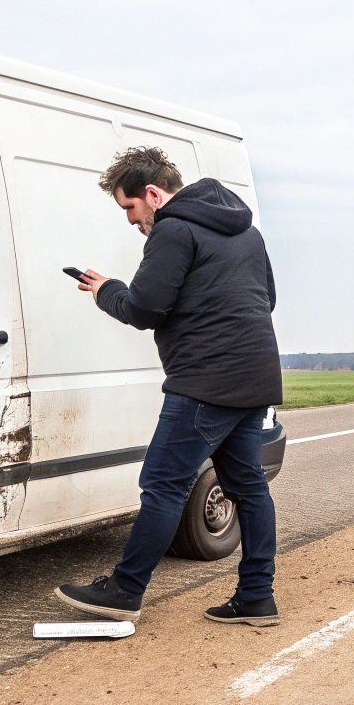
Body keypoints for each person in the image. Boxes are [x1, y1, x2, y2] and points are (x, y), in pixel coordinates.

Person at [55, 146, 284, 627]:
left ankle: (124, 590)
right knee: (248, 486)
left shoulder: (173, 230)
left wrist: (106, 291)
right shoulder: (247, 232)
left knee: (162, 487)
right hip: (255, 375)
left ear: (154, 194)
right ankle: (257, 596)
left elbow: (144, 310)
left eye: (130, 207)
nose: (130, 220)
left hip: (205, 381)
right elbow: (268, 298)